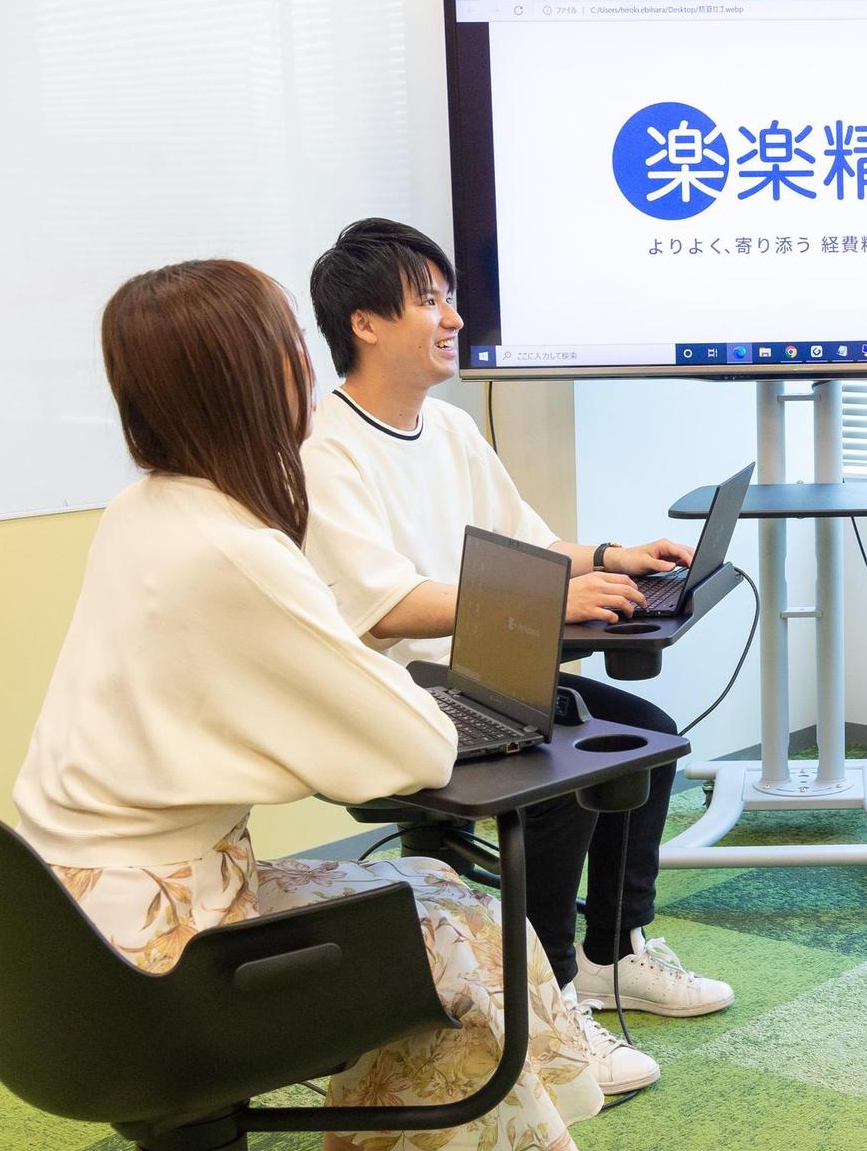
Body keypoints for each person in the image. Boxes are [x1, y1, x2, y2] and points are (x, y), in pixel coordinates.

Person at [14, 260, 605, 1151]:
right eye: (291, 341)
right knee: (461, 947)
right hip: (157, 949)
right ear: (252, 376)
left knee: (439, 884)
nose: (305, 361)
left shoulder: (143, 510)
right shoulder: (236, 549)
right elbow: (415, 750)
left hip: (56, 917)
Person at [299, 218, 733, 1096]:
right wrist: (538, 600)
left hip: (479, 681)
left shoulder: (450, 428)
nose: (454, 318)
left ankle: (613, 953)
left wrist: (612, 557)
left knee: (646, 736)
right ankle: (551, 1007)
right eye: (430, 301)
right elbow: (385, 604)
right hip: (396, 697)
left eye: (450, 298)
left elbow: (525, 545)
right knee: (561, 780)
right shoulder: (326, 449)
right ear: (365, 323)